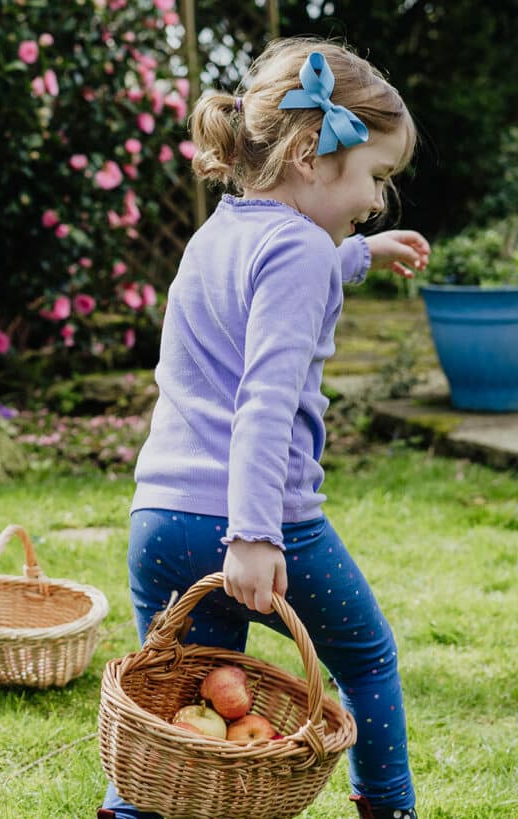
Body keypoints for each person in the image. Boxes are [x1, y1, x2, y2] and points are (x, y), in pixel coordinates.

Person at [99, 36, 429, 819]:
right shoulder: (303, 253)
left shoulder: (216, 235)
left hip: (162, 515)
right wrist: (253, 534)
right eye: (375, 176)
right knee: (367, 660)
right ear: (312, 153)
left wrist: (356, 257)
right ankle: (390, 806)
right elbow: (264, 403)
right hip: (254, 520)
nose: (376, 202)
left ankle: (131, 808)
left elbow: (276, 273)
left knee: (183, 702)